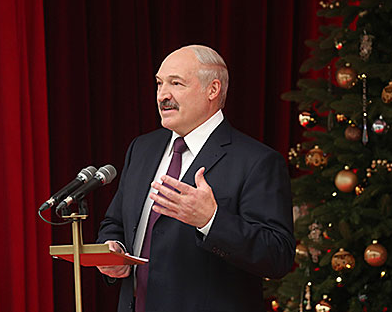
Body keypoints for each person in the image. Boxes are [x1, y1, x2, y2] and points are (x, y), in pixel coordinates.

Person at [96, 44, 295, 312]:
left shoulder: (257, 161)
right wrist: (113, 248)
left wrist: (211, 220)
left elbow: (277, 256)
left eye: (176, 83)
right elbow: (115, 222)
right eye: (159, 84)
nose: (162, 95)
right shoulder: (142, 148)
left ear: (212, 90)